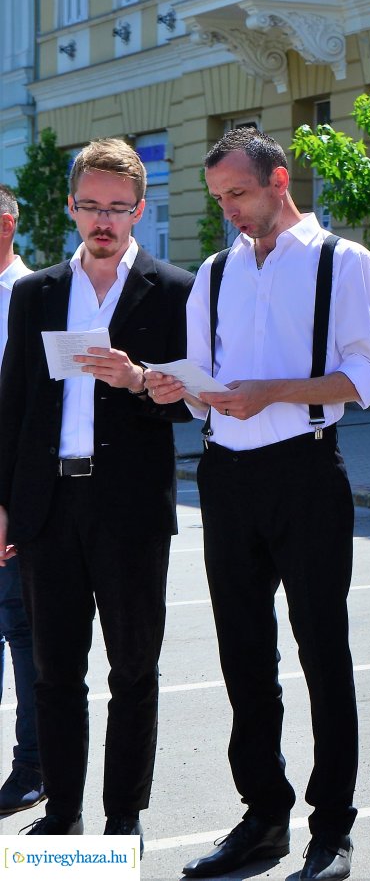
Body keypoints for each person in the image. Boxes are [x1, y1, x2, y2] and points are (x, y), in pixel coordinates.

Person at [146, 130, 370, 880]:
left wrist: (273, 392)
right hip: (225, 475)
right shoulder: (215, 271)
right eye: (220, 198)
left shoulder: (342, 261)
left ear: (280, 180)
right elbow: (204, 379)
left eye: (239, 193)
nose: (229, 209)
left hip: (305, 471)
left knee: (323, 652)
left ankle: (332, 827)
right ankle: (263, 816)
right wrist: (176, 387)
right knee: (243, 654)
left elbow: (366, 377)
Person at [0, 140, 194, 846]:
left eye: (117, 208)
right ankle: (62, 811)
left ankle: (123, 815)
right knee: (54, 671)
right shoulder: (38, 292)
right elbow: (13, 403)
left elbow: (192, 400)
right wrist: (4, 504)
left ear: (139, 209)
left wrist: (138, 380)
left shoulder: (173, 289)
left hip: (131, 507)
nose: (103, 221)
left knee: (133, 668)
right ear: (71, 207)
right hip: (49, 505)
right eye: (90, 206)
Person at [0, 186, 43, 818]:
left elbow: (31, 413)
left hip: (9, 499)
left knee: (22, 634)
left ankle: (33, 765)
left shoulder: (31, 297)